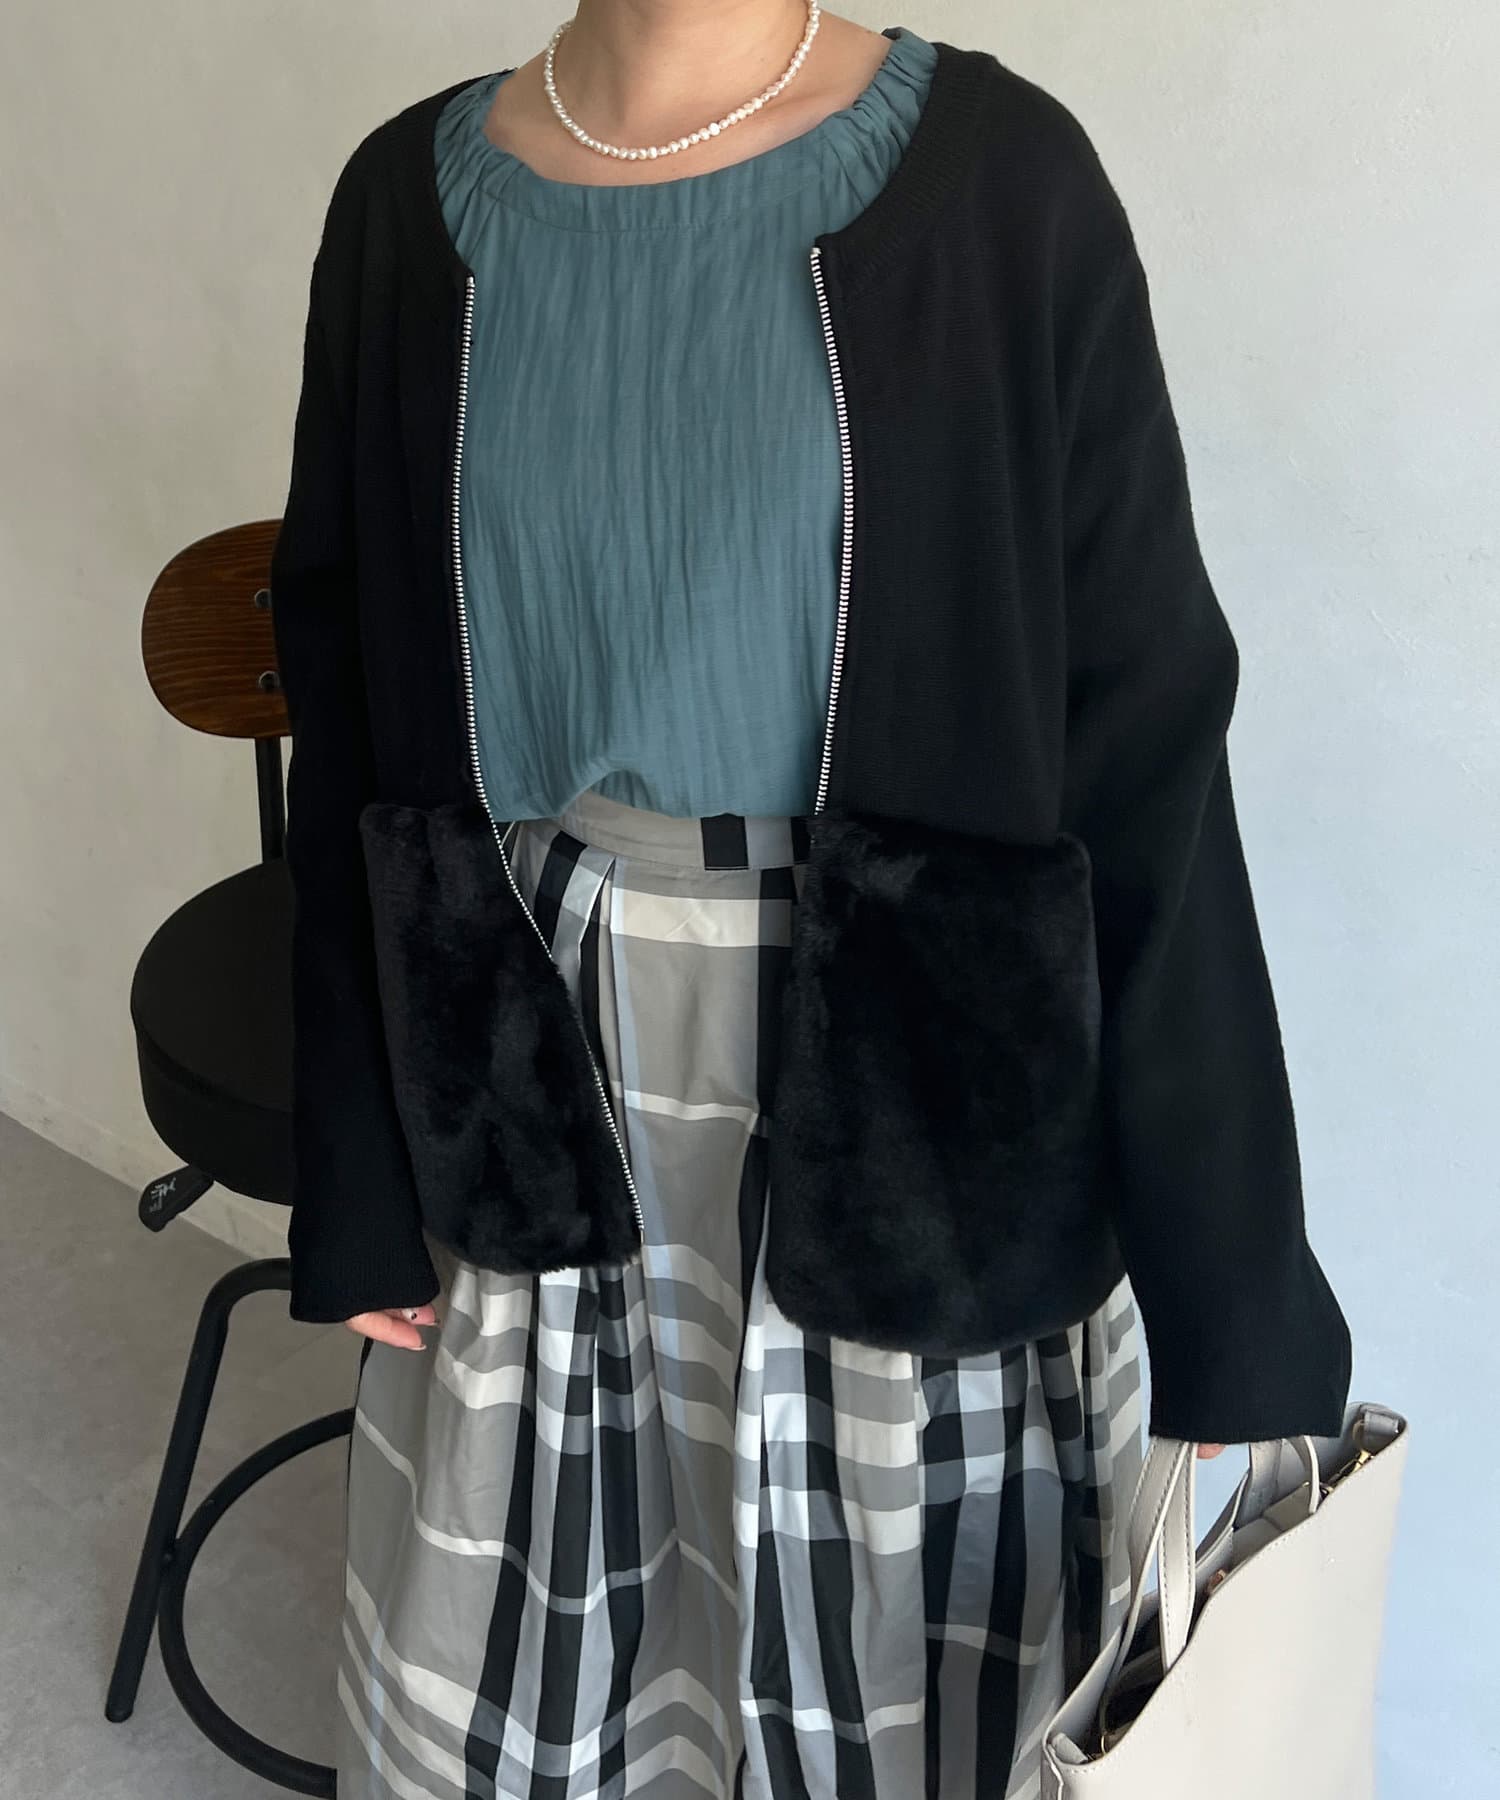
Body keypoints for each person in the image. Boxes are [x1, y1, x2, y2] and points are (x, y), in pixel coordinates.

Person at [268, 4, 1352, 1795]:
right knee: (543, 1686)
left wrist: (1236, 1299)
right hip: (533, 1054)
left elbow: (1148, 746)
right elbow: (350, 708)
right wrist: (360, 1173)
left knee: (893, 1694)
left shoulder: (1003, 187)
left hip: (926, 1100)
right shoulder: (405, 205)